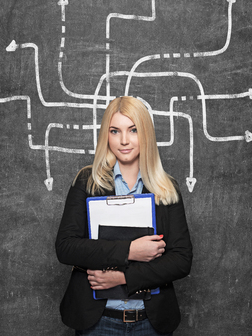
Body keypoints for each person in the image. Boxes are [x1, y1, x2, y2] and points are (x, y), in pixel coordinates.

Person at [55, 96, 193, 335]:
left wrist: (123, 278)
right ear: (106, 135)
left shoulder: (167, 188)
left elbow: (181, 260)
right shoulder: (87, 182)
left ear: (145, 134)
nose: (124, 140)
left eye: (133, 130)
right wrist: (129, 251)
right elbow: (66, 247)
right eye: (115, 131)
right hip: (98, 322)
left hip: (150, 322)